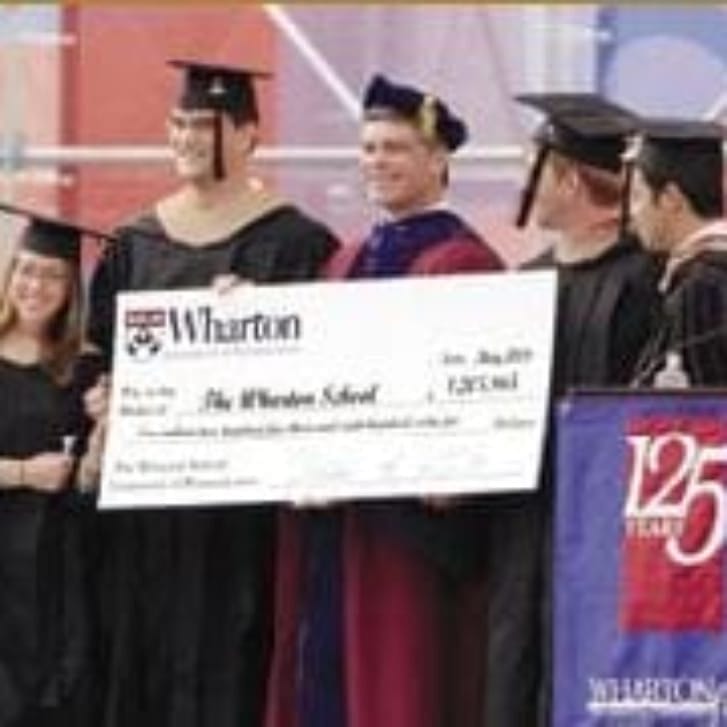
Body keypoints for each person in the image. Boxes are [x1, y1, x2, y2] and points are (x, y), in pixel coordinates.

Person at [86, 59, 339, 727]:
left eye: (205, 124)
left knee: (240, 647)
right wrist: (103, 399)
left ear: (248, 133)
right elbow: (100, 354)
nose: (187, 137)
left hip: (244, 510)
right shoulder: (136, 241)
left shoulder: (294, 241)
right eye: (179, 122)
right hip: (151, 506)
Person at [266, 74, 503, 727]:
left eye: (395, 147)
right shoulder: (344, 259)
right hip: (333, 518)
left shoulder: (461, 262)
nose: (377, 161)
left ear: (437, 159)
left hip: (407, 527)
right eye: (368, 147)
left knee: (397, 681)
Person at [507, 93, 664, 726]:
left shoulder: (649, 282)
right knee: (518, 665)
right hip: (523, 525)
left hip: (608, 533)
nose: (527, 184)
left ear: (569, 176)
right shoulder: (524, 281)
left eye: (533, 168)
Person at [0, 204, 108, 727]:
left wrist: (104, 430)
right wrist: (22, 472)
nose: (35, 286)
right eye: (26, 270)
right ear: (10, 274)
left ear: (71, 288)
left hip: (59, 570)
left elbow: (89, 481)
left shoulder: (86, 367)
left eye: (52, 275)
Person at [628, 118, 727, 386]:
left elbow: (702, 409)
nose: (631, 213)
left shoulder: (703, 286)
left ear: (671, 199)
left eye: (637, 196)